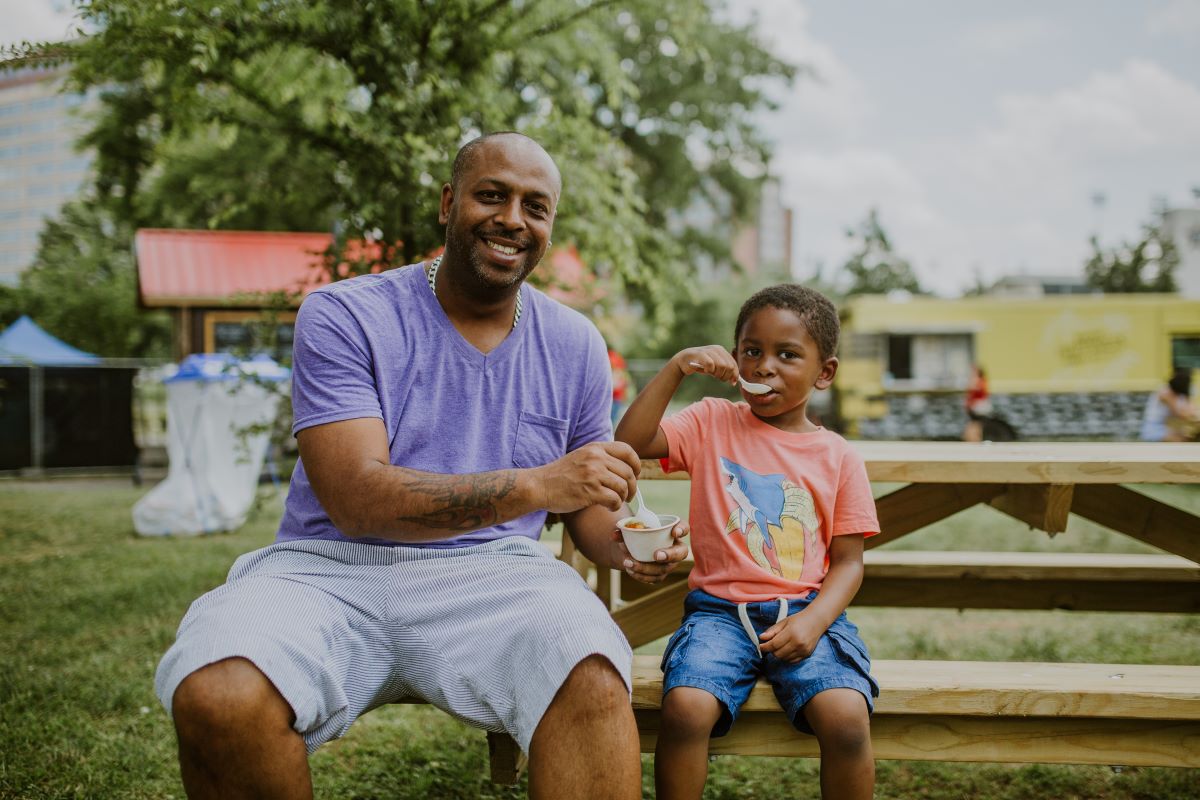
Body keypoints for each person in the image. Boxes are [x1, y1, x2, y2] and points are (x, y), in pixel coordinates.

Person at [154, 132, 690, 800]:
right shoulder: (345, 314)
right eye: (491, 195)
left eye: (536, 206)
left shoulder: (575, 342)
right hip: (328, 570)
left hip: (498, 577)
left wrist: (628, 546)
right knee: (217, 690)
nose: (513, 219)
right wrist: (538, 483)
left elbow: (586, 508)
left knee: (589, 669)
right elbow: (355, 497)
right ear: (448, 202)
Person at [615, 284, 878, 800]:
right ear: (734, 358)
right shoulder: (712, 420)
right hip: (718, 615)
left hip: (805, 612)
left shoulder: (839, 456)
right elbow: (631, 442)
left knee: (846, 718)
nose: (763, 368)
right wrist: (676, 367)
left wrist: (813, 621)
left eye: (787, 355)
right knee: (686, 708)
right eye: (751, 352)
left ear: (824, 372)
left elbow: (849, 563)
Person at [1140, 367, 1199, 442]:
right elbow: (1179, 414)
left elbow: (1190, 408)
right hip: (1155, 428)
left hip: (1171, 427)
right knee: (1181, 440)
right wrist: (1193, 415)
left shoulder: (1182, 392)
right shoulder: (1165, 392)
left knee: (1190, 438)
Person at [962, 363, 990, 443]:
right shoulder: (977, 381)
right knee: (975, 424)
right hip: (975, 406)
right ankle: (973, 439)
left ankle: (975, 439)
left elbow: (979, 394)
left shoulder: (980, 382)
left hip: (978, 407)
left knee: (976, 424)